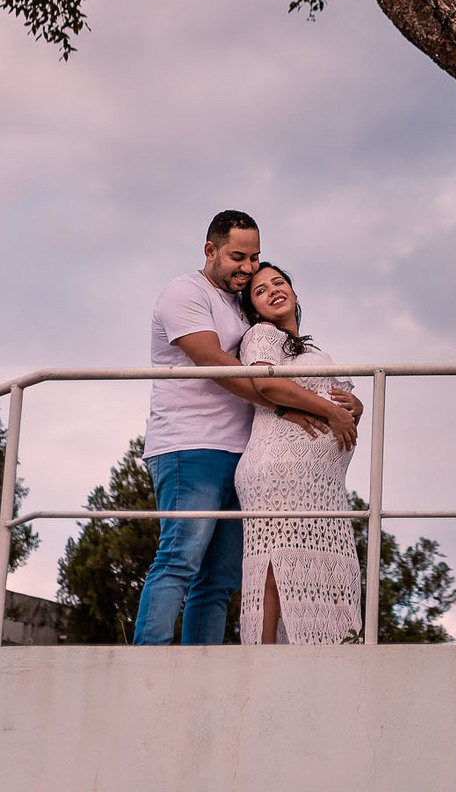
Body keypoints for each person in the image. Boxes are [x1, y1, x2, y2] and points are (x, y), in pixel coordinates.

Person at [133, 212, 353, 646]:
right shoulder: (185, 293)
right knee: (180, 558)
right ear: (210, 250)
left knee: (219, 580)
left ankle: (204, 669)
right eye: (238, 256)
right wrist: (284, 406)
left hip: (241, 452)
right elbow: (214, 364)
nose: (248, 267)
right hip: (189, 444)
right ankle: (148, 661)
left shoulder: (239, 302)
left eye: (254, 257)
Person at [236, 262, 362, 644]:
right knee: (278, 561)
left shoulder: (311, 349)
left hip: (323, 483)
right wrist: (331, 412)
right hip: (279, 469)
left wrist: (354, 406)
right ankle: (264, 653)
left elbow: (343, 399)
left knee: (322, 567)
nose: (273, 290)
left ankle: (332, 651)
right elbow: (264, 383)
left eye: (279, 283)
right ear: (255, 309)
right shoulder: (261, 334)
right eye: (260, 290)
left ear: (294, 292)